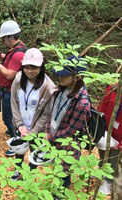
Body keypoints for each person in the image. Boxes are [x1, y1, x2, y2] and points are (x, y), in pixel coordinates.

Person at [10, 48, 56, 180]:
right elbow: (13, 102)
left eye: (34, 67)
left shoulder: (48, 87)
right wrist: (19, 125)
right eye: (27, 67)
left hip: (36, 128)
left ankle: (29, 174)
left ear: (41, 67)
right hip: (21, 124)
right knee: (19, 147)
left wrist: (33, 131)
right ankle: (17, 170)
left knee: (34, 151)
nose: (29, 71)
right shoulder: (18, 79)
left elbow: (47, 114)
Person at [46, 56, 91, 187]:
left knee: (64, 173)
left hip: (67, 146)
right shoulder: (63, 89)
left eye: (64, 75)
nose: (60, 77)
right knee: (56, 171)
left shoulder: (81, 102)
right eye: (59, 74)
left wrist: (50, 137)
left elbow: (71, 132)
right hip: (55, 137)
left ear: (76, 77)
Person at [0, 20, 27, 157]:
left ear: (11, 37)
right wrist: (0, 55)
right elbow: (10, 60)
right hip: (8, 90)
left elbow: (9, 75)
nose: (4, 41)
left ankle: (16, 142)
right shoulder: (18, 49)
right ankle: (13, 132)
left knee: (9, 118)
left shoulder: (18, 54)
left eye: (5, 38)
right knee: (11, 116)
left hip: (10, 91)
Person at [97, 83, 122, 195]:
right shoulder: (113, 88)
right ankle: (100, 170)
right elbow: (103, 106)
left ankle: (108, 182)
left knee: (113, 160)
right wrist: (98, 124)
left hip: (119, 137)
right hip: (106, 130)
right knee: (102, 153)